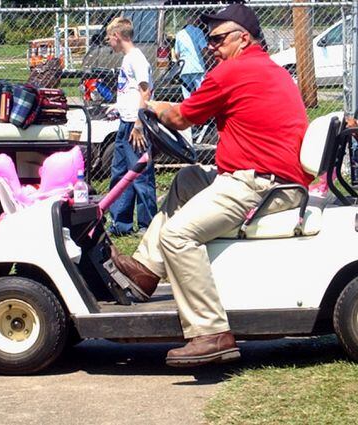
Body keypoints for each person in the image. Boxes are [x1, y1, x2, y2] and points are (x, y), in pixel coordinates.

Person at [110, 4, 312, 367]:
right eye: (209, 39)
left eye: (217, 39)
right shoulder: (267, 70)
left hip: (261, 186)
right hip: (268, 179)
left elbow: (181, 117)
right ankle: (144, 270)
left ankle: (211, 332)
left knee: (178, 235)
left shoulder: (232, 72)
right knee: (188, 179)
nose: (210, 46)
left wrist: (152, 107)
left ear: (243, 38)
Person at [105, 17, 157, 236]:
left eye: (109, 38)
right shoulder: (127, 59)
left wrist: (138, 123)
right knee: (120, 173)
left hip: (136, 126)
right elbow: (130, 90)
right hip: (124, 123)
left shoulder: (137, 59)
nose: (108, 42)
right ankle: (121, 222)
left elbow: (146, 91)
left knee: (140, 174)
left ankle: (147, 224)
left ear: (117, 36)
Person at [174, 15, 208, 98]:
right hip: (197, 68)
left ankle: (188, 109)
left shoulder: (179, 34)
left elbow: (176, 53)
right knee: (201, 94)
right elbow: (204, 49)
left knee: (187, 95)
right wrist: (209, 60)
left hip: (184, 68)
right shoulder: (198, 31)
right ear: (196, 20)